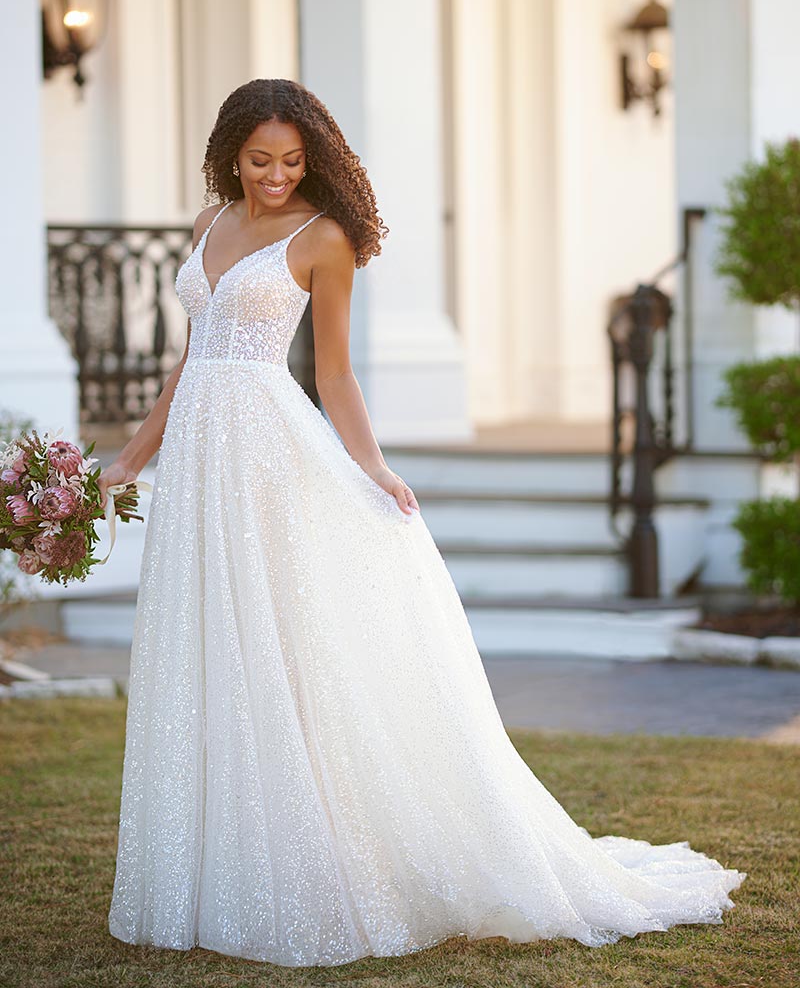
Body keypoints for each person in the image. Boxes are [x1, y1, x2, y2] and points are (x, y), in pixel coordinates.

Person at [104, 78, 744, 969]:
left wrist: (372, 467)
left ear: (313, 158)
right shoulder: (209, 226)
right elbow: (190, 361)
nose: (277, 175)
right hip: (200, 467)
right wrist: (131, 460)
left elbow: (333, 376)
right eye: (260, 160)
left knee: (284, 645)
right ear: (229, 154)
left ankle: (314, 857)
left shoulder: (324, 239)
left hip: (267, 453)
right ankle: (219, 864)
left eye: (293, 161)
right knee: (209, 641)